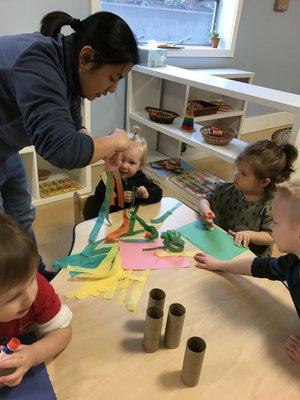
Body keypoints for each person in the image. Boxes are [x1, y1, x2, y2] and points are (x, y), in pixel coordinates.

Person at [0, 10, 139, 279]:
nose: (112, 90)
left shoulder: (66, 63)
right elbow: (61, 149)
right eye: (113, 77)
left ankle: (36, 278)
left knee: (21, 212)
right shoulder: (37, 63)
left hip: (4, 147)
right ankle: (14, 294)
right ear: (87, 57)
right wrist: (115, 140)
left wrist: (102, 149)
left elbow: (73, 123)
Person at [194, 179, 300, 364]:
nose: (271, 228)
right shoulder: (292, 263)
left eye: (275, 222)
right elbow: (261, 267)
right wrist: (221, 264)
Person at [0, 214, 72, 387]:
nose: (28, 298)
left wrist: (34, 354)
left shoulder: (40, 289)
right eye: (14, 296)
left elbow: (63, 332)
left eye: (31, 279)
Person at [198, 140, 298, 257]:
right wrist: (205, 210)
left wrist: (250, 235)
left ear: (264, 182)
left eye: (243, 174)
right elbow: (204, 199)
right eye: (238, 170)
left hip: (249, 261)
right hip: (217, 246)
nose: (236, 176)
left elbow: (271, 236)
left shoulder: (272, 205)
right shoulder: (228, 189)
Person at [83, 128, 163, 219]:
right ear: (113, 158)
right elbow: (98, 197)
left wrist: (147, 194)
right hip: (110, 221)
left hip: (131, 220)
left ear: (139, 166)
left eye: (132, 163)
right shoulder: (109, 176)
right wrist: (118, 199)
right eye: (121, 159)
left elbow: (159, 193)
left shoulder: (140, 177)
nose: (124, 166)